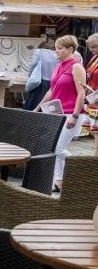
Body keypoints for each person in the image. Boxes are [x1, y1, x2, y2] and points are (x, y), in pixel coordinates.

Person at [34, 35, 87, 190]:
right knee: (55, 148)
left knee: (58, 148)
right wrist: (37, 108)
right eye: (56, 48)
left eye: (60, 48)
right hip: (56, 113)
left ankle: (82, 168)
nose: (56, 51)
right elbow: (52, 90)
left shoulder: (76, 67)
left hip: (71, 113)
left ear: (70, 49)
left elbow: (81, 93)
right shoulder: (59, 65)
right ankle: (58, 182)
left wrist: (75, 116)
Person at [24, 40, 58, 111]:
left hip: (39, 82)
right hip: (51, 84)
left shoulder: (38, 51)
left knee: (32, 104)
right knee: (45, 107)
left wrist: (30, 75)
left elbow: (33, 64)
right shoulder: (56, 54)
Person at [85, 33, 98, 155]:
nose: (91, 50)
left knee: (96, 130)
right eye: (90, 47)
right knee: (94, 130)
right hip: (92, 97)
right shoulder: (94, 58)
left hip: (96, 97)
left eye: (94, 47)